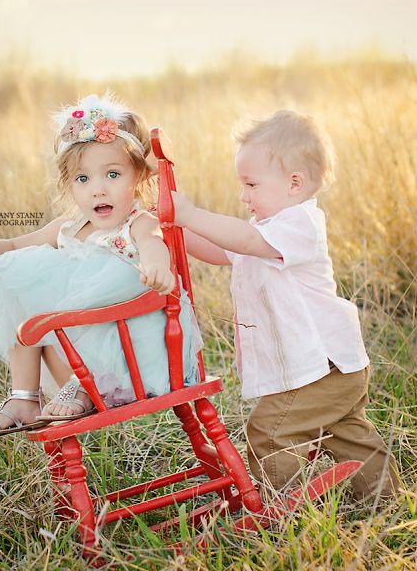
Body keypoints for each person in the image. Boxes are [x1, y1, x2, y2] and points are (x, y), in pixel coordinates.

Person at [172, 109, 401, 500]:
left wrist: (192, 213)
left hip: (325, 366)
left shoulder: (300, 225)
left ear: (294, 183)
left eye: (251, 184)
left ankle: (284, 506)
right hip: (324, 366)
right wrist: (178, 228)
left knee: (270, 430)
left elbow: (243, 241)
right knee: (346, 430)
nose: (243, 195)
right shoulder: (267, 231)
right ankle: (384, 497)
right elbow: (219, 249)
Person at [0, 93, 200, 437]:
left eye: (112, 174)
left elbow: (154, 244)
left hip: (133, 357)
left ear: (140, 177)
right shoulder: (66, 228)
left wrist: (157, 268)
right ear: (69, 185)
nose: (97, 190)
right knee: (20, 279)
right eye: (83, 179)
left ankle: (86, 386)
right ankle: (24, 396)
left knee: (93, 285)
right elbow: (11, 245)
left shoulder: (137, 224)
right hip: (76, 359)